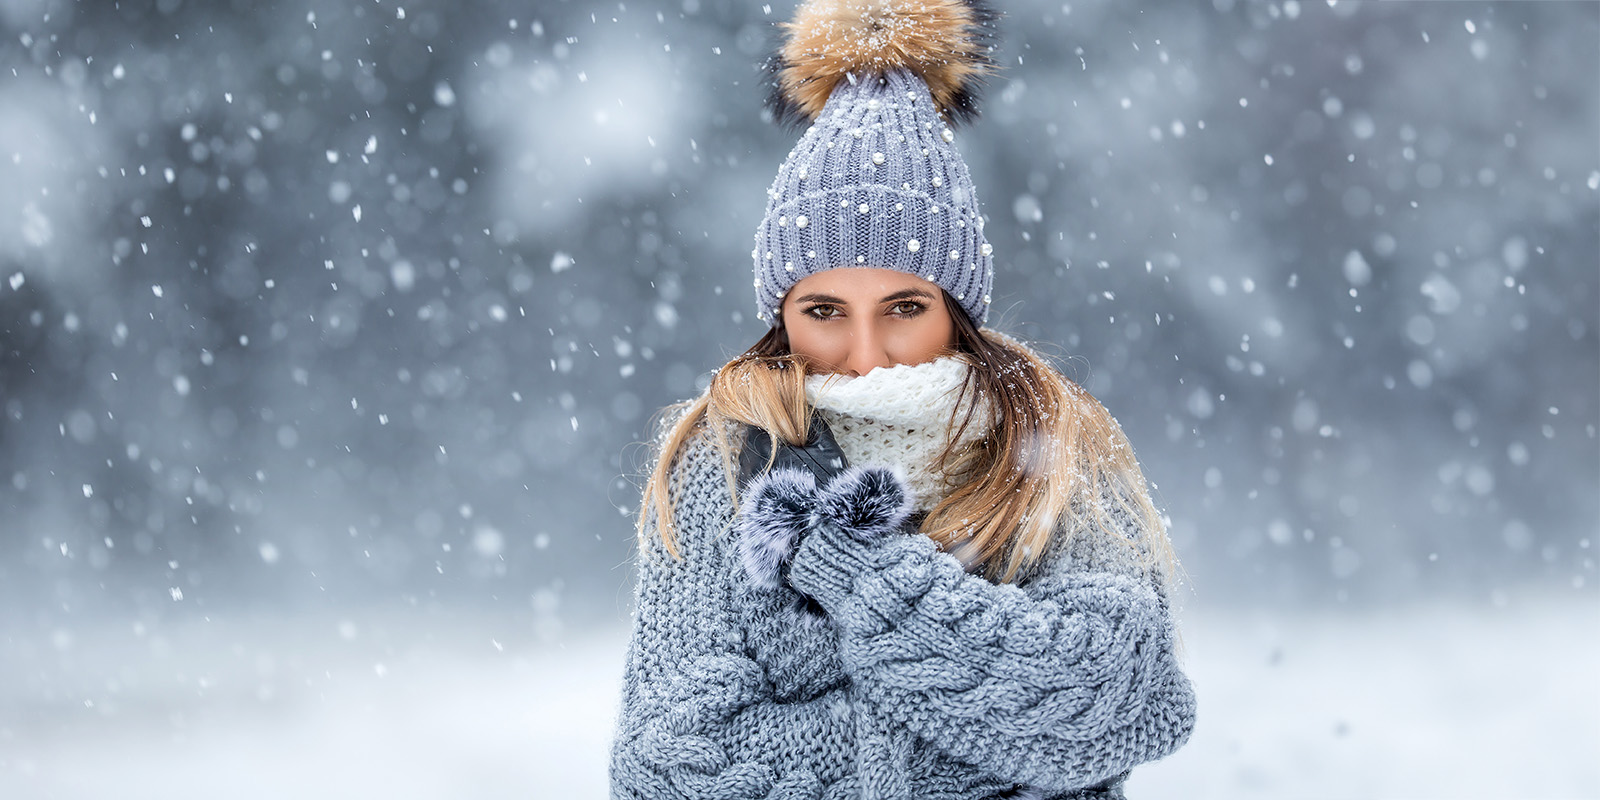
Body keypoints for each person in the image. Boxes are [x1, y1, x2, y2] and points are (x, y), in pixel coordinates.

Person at [608, 0, 1196, 797]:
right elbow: (665, 770)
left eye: (905, 309)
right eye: (823, 313)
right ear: (780, 313)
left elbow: (1116, 694)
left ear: (957, 308)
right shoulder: (725, 454)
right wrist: (1000, 747)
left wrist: (862, 575)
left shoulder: (1058, 445)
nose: (863, 355)